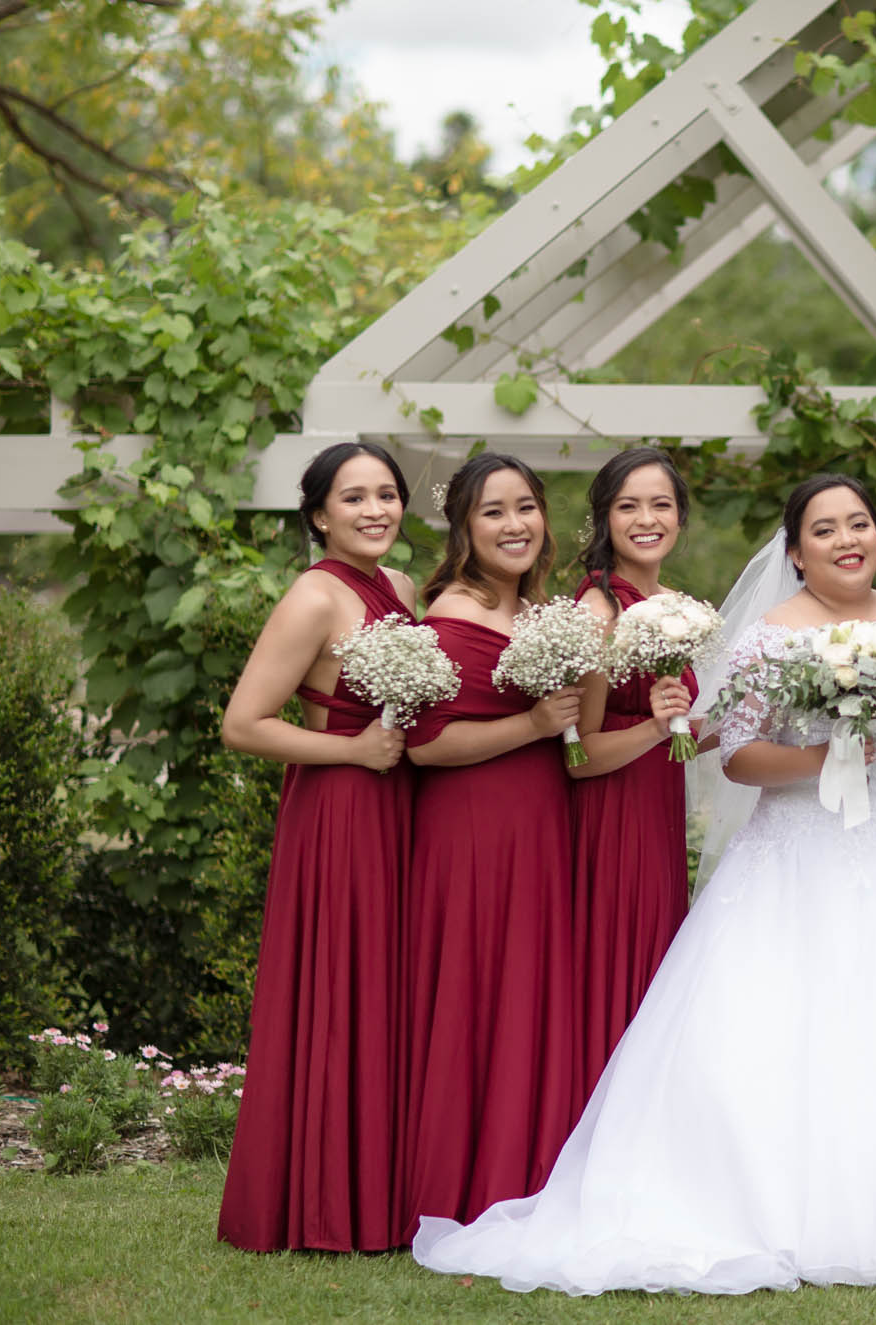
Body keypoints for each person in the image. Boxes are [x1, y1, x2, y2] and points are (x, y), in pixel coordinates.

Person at [412, 474, 876, 1294]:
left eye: (858, 523)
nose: (845, 540)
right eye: (823, 530)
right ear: (795, 552)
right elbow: (738, 755)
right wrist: (824, 753)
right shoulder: (771, 633)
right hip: (799, 853)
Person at [216, 442, 419, 1252]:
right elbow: (243, 724)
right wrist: (354, 750)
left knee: (389, 987)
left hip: (401, 803)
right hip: (340, 807)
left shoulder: (402, 586)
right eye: (354, 497)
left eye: (387, 494)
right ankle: (327, 1199)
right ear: (318, 515)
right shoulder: (313, 596)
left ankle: (388, 1187)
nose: (375, 510)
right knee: (343, 986)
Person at [401, 453, 586, 1230]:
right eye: (493, 511)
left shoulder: (537, 609)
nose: (515, 524)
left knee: (527, 993)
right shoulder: (450, 614)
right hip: (473, 829)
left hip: (537, 821)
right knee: (476, 993)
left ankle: (527, 1167)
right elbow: (424, 746)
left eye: (525, 507)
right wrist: (535, 723)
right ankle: (460, 1180)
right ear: (464, 529)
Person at [566, 447, 700, 1086]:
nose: (647, 519)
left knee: (658, 978)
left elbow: (676, 734)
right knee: (620, 980)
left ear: (679, 517)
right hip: (610, 822)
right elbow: (578, 756)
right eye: (628, 506)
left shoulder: (674, 606)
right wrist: (653, 726)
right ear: (605, 518)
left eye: (661, 505)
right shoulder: (599, 613)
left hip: (658, 812)